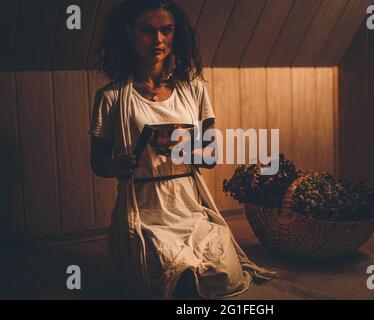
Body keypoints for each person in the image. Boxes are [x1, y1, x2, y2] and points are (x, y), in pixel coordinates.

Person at [88, 0, 275, 299]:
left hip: (189, 204)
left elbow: (211, 156)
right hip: (145, 209)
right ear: (129, 33)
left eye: (166, 30)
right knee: (176, 276)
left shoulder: (194, 90)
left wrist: (180, 151)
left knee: (222, 273)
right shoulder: (111, 97)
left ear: (176, 34)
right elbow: (97, 162)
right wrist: (117, 166)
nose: (158, 40)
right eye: (147, 30)